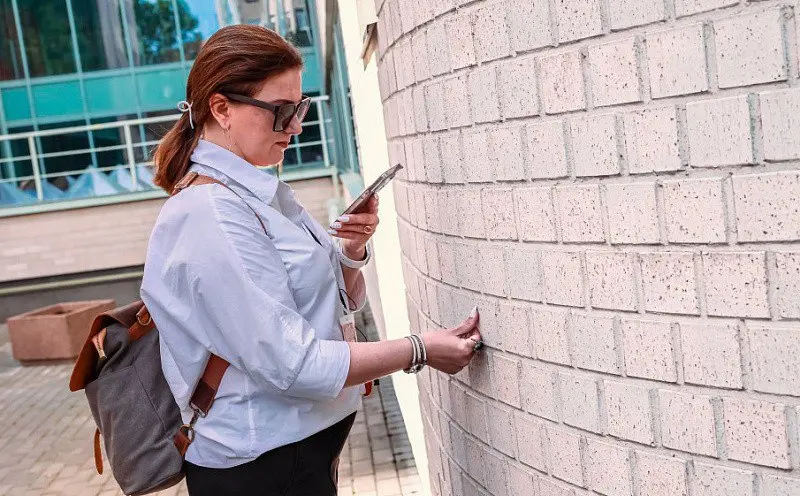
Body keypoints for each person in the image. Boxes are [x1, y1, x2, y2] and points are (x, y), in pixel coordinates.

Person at [140, 24, 482, 496]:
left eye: (300, 108)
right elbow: (295, 366)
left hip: (295, 456)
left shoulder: (255, 193)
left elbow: (329, 305)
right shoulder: (211, 214)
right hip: (263, 468)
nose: (296, 126)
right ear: (221, 108)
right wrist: (419, 349)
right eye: (281, 112)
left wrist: (350, 252)